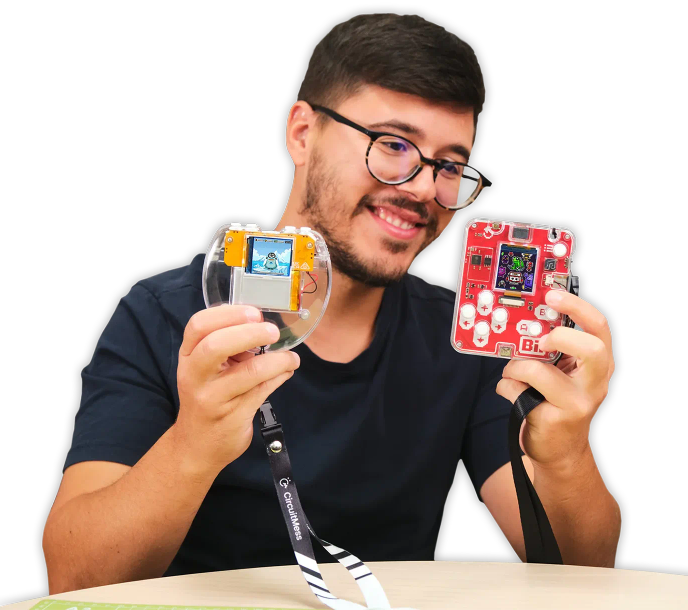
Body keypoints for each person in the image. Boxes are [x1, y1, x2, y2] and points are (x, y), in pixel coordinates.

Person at [42, 12, 620, 594]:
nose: (422, 189)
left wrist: (566, 451)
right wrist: (194, 446)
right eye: (393, 145)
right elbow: (75, 577)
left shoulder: (463, 338)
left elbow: (586, 576)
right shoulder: (165, 315)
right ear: (301, 133)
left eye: (448, 165)